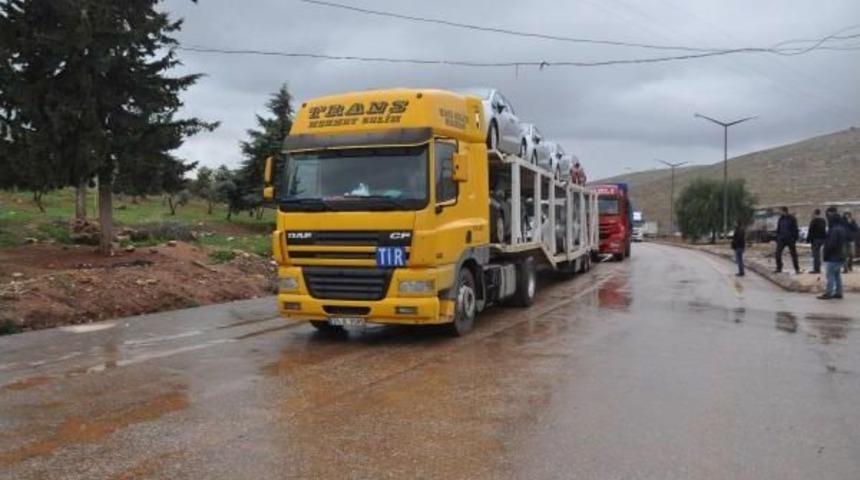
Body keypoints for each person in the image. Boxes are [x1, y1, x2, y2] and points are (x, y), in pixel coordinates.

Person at [819, 207, 847, 300]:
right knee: (837, 275)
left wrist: (826, 252)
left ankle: (828, 293)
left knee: (829, 274)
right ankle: (839, 292)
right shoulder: (842, 229)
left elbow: (832, 244)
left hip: (833, 256)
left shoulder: (834, 230)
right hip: (841, 256)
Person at [774, 206, 801, 274]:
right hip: (781, 239)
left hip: (790, 239)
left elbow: (795, 229)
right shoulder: (780, 219)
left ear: (784, 211)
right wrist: (777, 237)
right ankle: (779, 268)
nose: (779, 212)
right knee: (777, 253)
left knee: (794, 255)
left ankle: (797, 269)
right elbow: (778, 229)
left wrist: (794, 238)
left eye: (780, 211)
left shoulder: (792, 218)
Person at [807, 209, 827, 274]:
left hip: (815, 239)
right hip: (822, 239)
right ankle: (818, 268)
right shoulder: (823, 220)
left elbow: (811, 231)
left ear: (815, 213)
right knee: (818, 255)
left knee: (816, 255)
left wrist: (808, 239)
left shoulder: (813, 221)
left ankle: (816, 269)